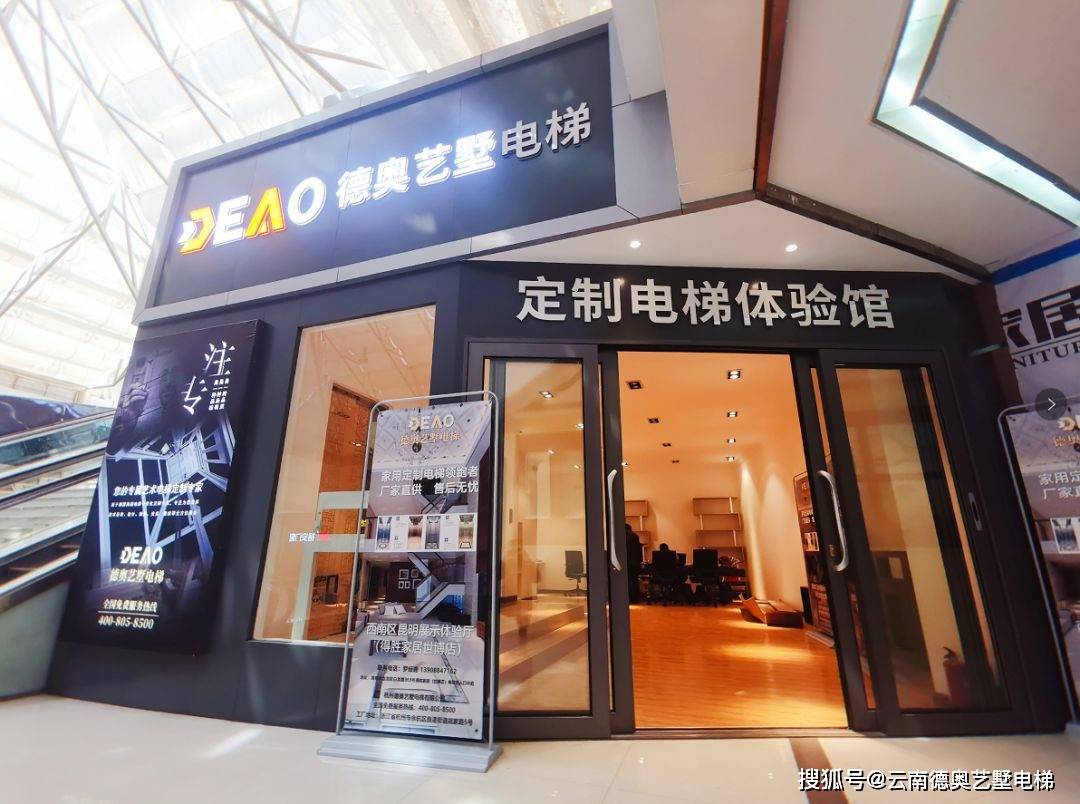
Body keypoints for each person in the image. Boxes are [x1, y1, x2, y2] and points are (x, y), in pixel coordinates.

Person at [624, 524, 643, 603]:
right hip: (635, 563)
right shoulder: (635, 536)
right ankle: (636, 598)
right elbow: (638, 550)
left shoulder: (622, 536)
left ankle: (628, 597)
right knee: (635, 580)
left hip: (626, 562)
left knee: (627, 581)